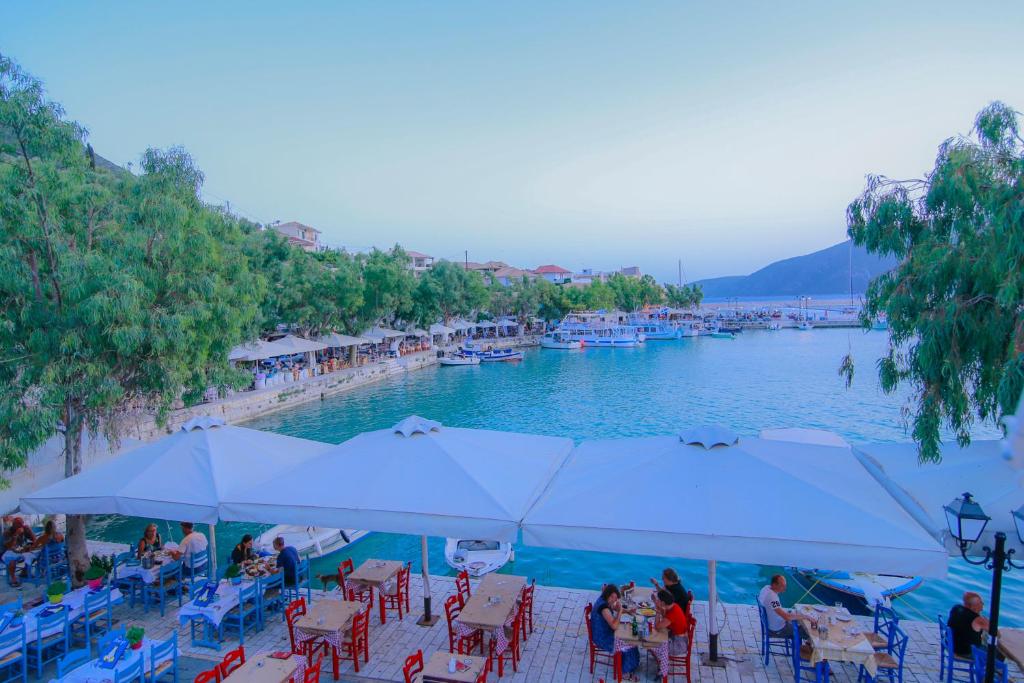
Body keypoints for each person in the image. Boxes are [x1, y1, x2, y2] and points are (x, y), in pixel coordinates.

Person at [591, 583, 640, 679]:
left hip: (605, 632)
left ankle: (629, 664)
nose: (615, 600)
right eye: (613, 597)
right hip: (603, 638)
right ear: (608, 595)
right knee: (630, 642)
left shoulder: (603, 600)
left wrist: (628, 611)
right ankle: (624, 672)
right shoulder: (604, 608)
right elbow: (614, 626)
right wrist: (621, 612)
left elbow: (613, 608)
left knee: (629, 637)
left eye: (616, 598)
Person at [948, 591, 998, 659]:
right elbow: (997, 633)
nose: (983, 604)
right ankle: (993, 668)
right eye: (981, 602)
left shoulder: (956, 608)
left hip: (952, 646)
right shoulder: (978, 619)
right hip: (966, 652)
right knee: (999, 652)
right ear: (975, 605)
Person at [2, 518, 36, 587]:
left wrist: (29, 531)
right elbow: (8, 546)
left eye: (22, 523)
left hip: (19, 550)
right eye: (19, 524)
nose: (21, 526)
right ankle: (13, 578)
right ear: (14, 525)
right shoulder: (7, 532)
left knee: (33, 554)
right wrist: (16, 534)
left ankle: (25, 571)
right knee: (12, 560)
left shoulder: (24, 528)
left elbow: (34, 539)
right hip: (6, 551)